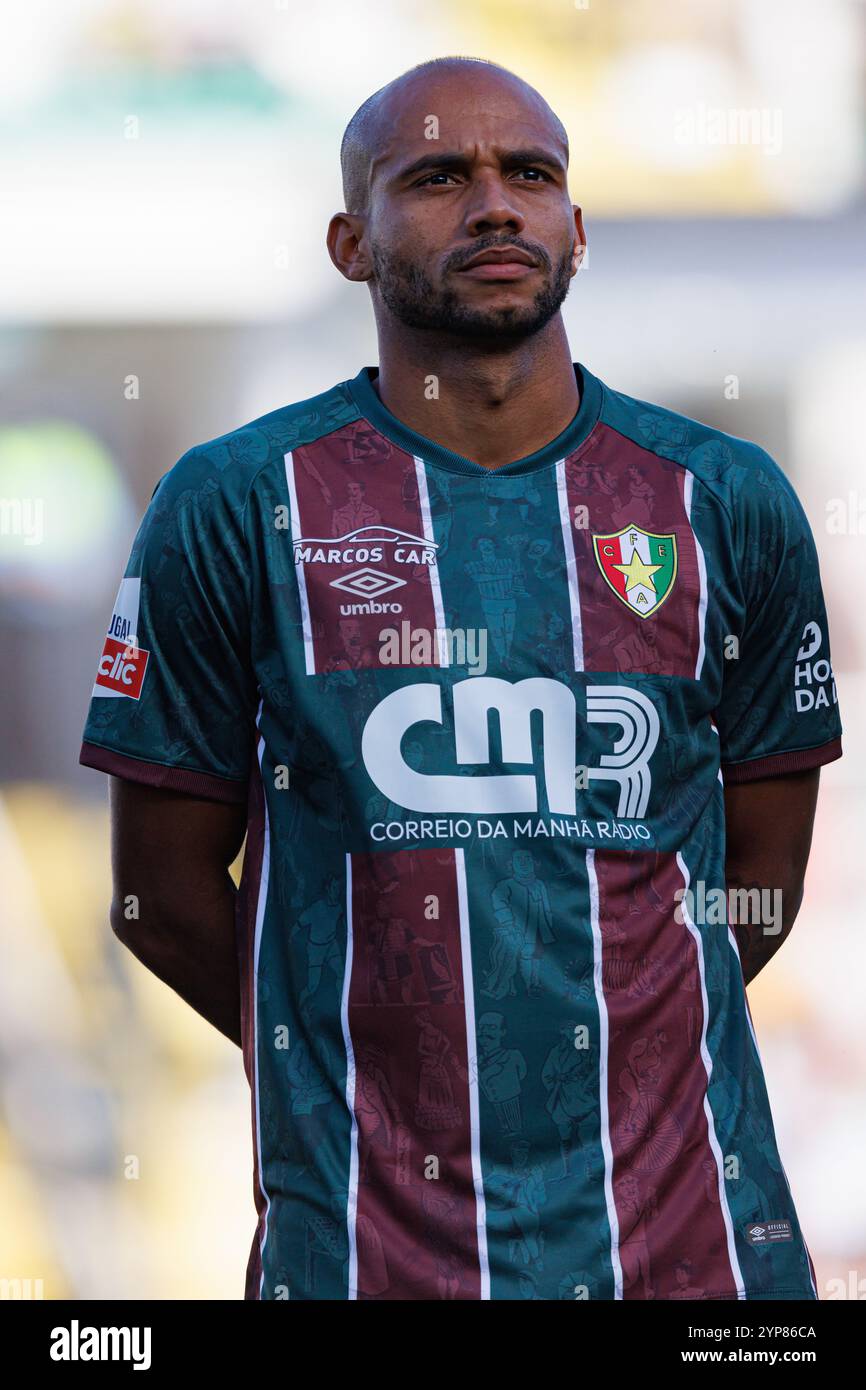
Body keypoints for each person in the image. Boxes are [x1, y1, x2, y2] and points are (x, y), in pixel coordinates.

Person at [80, 56, 842, 1300]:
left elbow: (754, 885)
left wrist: (611, 1047)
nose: (495, 206)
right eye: (437, 176)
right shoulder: (234, 503)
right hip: (361, 1260)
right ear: (347, 241)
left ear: (577, 232)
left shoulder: (723, 500)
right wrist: (358, 1068)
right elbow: (157, 894)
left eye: (529, 175)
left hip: (697, 1262)